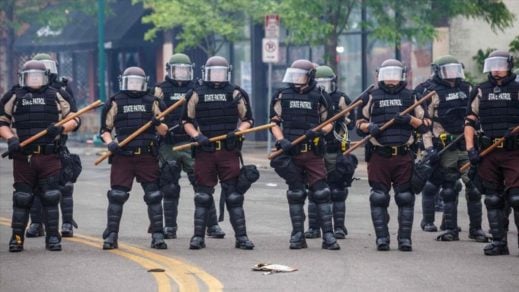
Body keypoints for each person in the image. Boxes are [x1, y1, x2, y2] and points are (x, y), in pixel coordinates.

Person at [0, 60, 79, 252]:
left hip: (49, 155)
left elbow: (75, 119)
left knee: (51, 196)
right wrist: (10, 139)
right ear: (23, 77)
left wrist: (60, 128)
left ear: (45, 77)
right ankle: (17, 238)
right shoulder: (14, 95)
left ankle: (53, 238)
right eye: (30, 76)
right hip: (23, 156)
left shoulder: (58, 94)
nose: (34, 79)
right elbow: (2, 121)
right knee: (22, 198)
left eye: (38, 76)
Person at [356, 59, 430, 251]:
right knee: (379, 197)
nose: (391, 79)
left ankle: (405, 239)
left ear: (402, 76)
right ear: (380, 75)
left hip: (403, 155)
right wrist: (369, 127)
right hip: (379, 156)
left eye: (394, 75)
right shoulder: (371, 96)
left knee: (405, 197)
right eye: (387, 75)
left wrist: (409, 119)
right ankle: (382, 238)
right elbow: (358, 124)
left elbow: (424, 125)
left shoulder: (411, 96)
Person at [181, 56, 254, 250]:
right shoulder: (195, 93)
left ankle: (242, 237)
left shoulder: (236, 93)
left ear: (227, 72)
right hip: (205, 150)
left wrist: (237, 132)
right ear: (206, 72)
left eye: (221, 72)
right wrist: (197, 136)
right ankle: (198, 237)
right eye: (213, 72)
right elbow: (186, 121)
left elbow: (248, 120)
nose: (217, 76)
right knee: (203, 196)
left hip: (228, 150)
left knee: (233, 195)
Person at [270, 59, 340, 250]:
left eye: (300, 75)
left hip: (312, 152)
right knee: (296, 193)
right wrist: (280, 140)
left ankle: (328, 236)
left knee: (321, 192)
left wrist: (318, 132)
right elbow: (274, 122)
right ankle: (298, 236)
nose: (296, 79)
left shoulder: (320, 96)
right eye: (293, 74)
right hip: (291, 152)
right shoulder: (282, 95)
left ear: (310, 77)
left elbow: (330, 122)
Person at [154, 53, 225, 239]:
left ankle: (212, 225)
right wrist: (159, 126)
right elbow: (151, 112)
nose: (182, 73)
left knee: (203, 185)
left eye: (185, 70)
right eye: (178, 70)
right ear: (170, 70)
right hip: (169, 144)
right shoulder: (160, 90)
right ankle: (170, 227)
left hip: (193, 143)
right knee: (169, 186)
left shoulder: (197, 88)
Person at [99, 66, 168, 250]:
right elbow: (105, 130)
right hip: (123, 156)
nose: (135, 85)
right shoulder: (115, 102)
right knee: (117, 196)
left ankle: (158, 235)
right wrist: (109, 143)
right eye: (131, 82)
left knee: (153, 195)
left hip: (146, 155)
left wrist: (157, 123)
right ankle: (112, 235)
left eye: (138, 82)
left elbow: (165, 131)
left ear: (144, 83)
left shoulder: (153, 102)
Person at [420, 55, 488, 242]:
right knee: (449, 188)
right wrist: (429, 148)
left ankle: (476, 229)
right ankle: (450, 229)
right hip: (444, 146)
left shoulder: (467, 88)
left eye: (454, 70)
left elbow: (476, 116)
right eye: (447, 70)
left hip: (466, 145)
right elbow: (426, 124)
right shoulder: (431, 93)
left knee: (473, 187)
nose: (451, 75)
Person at [464, 50, 519, 256]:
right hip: (488, 151)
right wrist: (471, 149)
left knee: (517, 198)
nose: (496, 69)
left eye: (501, 65)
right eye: (493, 65)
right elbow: (469, 121)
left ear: (509, 65)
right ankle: (499, 242)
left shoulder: (517, 88)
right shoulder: (480, 90)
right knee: (493, 199)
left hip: (514, 151)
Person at [24, 53, 81, 238]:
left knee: (64, 186)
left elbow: (75, 119)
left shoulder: (61, 91)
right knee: (34, 188)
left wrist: (61, 129)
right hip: (33, 149)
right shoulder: (24, 92)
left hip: (56, 146)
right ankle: (36, 224)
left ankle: (66, 224)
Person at [304, 65, 357, 240]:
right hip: (315, 149)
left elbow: (351, 124)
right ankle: (313, 228)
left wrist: (340, 117)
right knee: (315, 191)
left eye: (326, 83)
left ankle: (339, 227)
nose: (323, 87)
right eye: (319, 83)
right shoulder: (309, 97)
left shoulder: (341, 99)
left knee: (337, 191)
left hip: (335, 148)